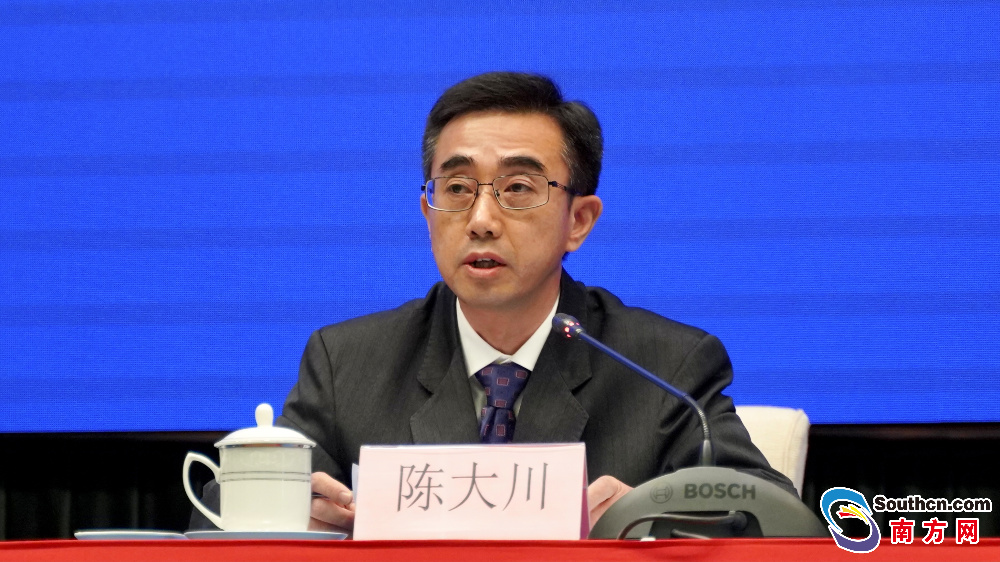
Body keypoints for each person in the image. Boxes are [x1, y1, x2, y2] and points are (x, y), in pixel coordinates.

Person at [190, 71, 796, 533]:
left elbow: (772, 517)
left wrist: (641, 523)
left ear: (578, 221)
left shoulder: (664, 366)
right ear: (428, 211)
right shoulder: (348, 363)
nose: (481, 219)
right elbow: (213, 514)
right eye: (457, 188)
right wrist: (284, 511)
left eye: (518, 188)